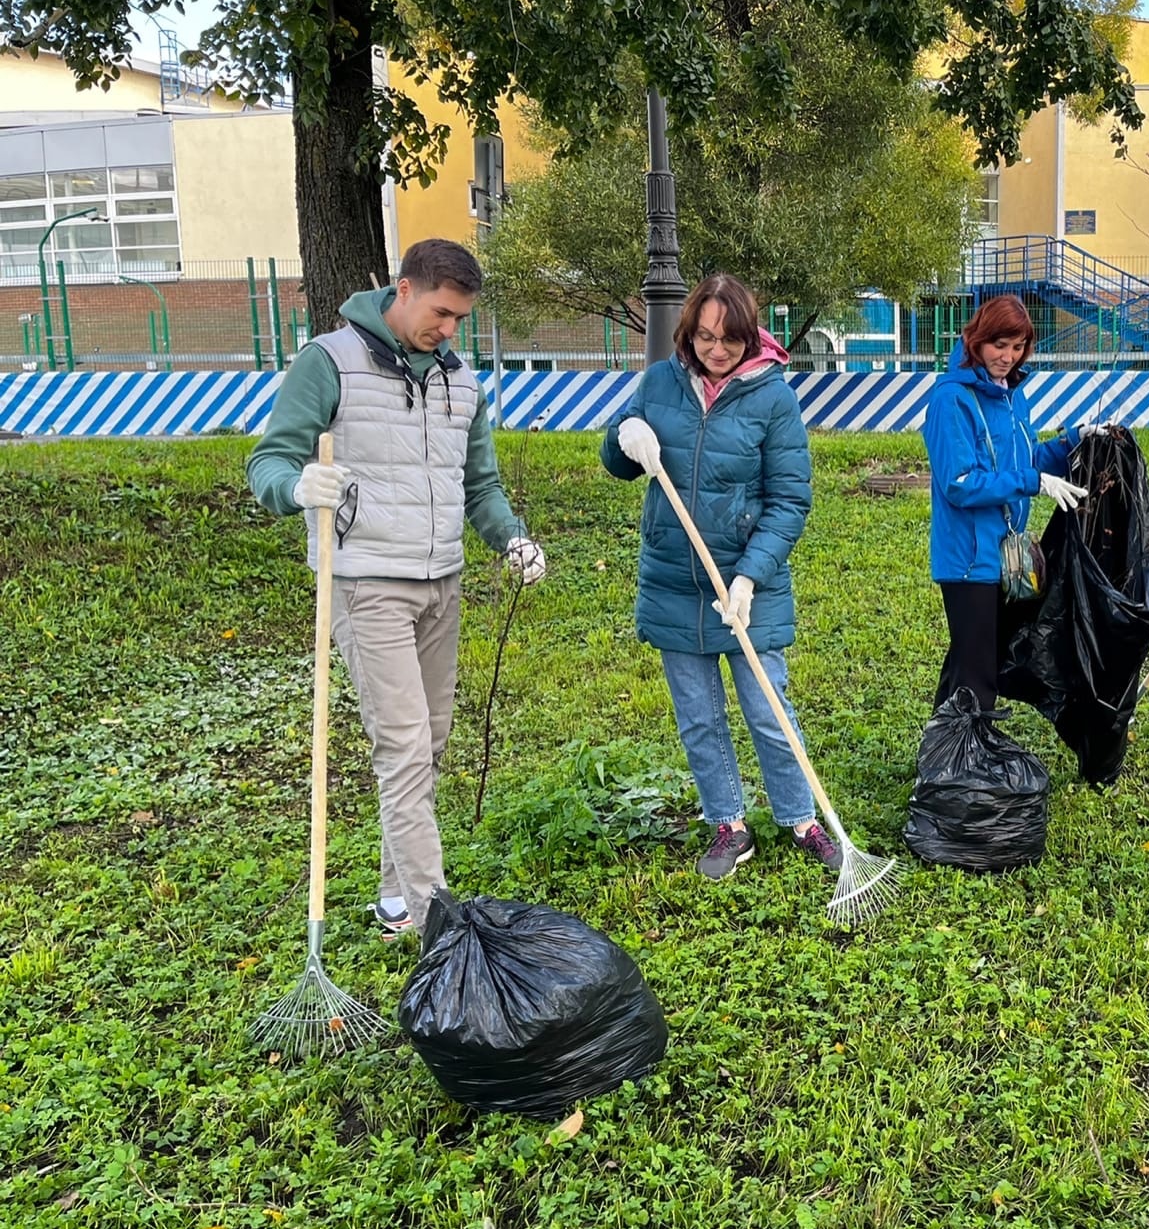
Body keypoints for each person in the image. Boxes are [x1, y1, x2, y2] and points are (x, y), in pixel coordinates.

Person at [246, 238, 546, 941]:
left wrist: (512, 537)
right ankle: (434, 913)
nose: (449, 329)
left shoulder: (460, 379)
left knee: (430, 741)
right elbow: (269, 459)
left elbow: (480, 486)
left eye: (460, 320)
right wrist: (295, 487)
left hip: (442, 581)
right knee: (405, 745)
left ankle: (393, 895)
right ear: (403, 290)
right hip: (366, 584)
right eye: (441, 313)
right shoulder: (330, 361)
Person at [601, 273, 834, 882]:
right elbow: (616, 462)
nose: (716, 350)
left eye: (729, 339)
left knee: (768, 709)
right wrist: (625, 439)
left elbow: (789, 500)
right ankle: (728, 822)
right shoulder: (659, 383)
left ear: (748, 335)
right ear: (689, 332)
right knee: (699, 717)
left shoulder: (771, 398)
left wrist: (751, 577)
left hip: (745, 587)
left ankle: (801, 817)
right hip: (676, 580)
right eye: (705, 337)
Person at [922, 293, 1091, 711]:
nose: (1008, 357)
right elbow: (959, 483)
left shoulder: (1011, 394)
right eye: (999, 345)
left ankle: (945, 756)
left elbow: (1025, 459)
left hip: (1004, 554)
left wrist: (1075, 441)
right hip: (968, 559)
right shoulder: (952, 400)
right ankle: (966, 764)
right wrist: (1034, 482)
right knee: (978, 673)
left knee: (972, 660)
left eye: (1018, 348)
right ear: (977, 340)